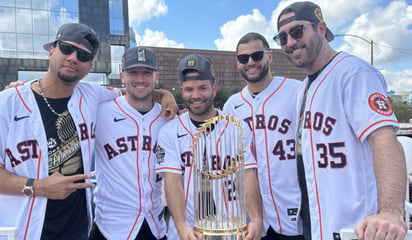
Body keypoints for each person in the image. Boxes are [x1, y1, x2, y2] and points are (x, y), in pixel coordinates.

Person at [0, 23, 176, 240]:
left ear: (90, 65)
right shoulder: (7, 103)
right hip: (26, 228)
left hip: (78, 229)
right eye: (67, 48)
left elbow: (134, 90)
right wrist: (36, 187)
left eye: (83, 55)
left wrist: (164, 94)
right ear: (51, 50)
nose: (73, 58)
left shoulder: (91, 95)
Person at [275, 1, 407, 240]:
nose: (290, 42)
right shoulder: (304, 86)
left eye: (297, 31)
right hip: (314, 221)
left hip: (357, 226)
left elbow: (385, 140)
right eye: (282, 38)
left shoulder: (355, 73)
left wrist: (391, 211)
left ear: (321, 28)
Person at [155, 54, 263, 240]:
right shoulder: (169, 131)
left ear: (213, 88)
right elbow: (172, 182)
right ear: (182, 90)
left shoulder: (237, 127)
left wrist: (256, 218)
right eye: (189, 89)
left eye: (202, 88)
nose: (196, 95)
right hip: (189, 230)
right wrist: (181, 226)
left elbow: (248, 175)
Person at [223, 32, 304, 239]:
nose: (250, 62)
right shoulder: (232, 104)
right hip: (250, 216)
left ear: (269, 56)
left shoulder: (296, 91)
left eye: (257, 55)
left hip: (294, 205)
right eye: (244, 58)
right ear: (238, 63)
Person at [89, 46, 168, 239]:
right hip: (110, 228)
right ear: (122, 76)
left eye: (146, 73)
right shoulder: (99, 111)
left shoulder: (168, 116)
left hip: (155, 226)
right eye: (133, 72)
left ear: (156, 77)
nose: (140, 79)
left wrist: (166, 95)